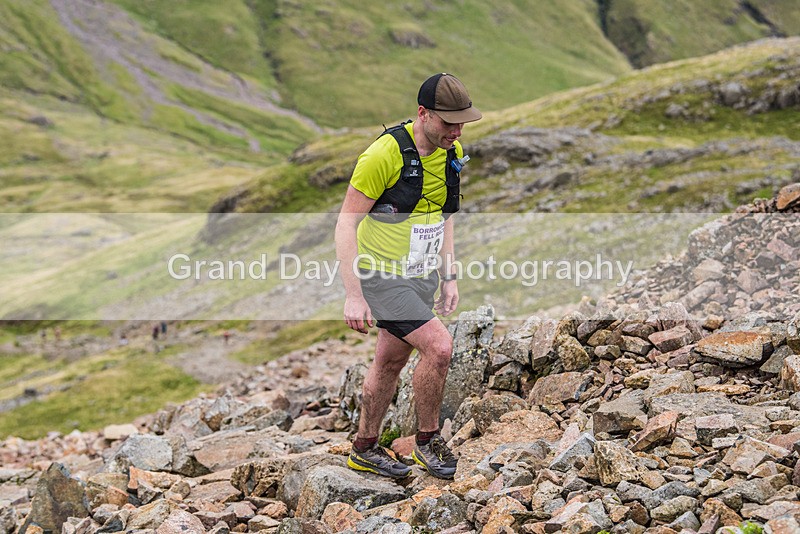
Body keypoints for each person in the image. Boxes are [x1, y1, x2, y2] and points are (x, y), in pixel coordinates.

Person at [335, 73, 481, 480]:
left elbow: (445, 216)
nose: (457, 132)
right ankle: (427, 442)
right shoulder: (383, 156)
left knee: (389, 361)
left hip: (421, 274)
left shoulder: (451, 151)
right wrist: (354, 295)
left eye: (462, 124)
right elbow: (345, 224)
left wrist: (448, 276)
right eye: (449, 123)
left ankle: (364, 448)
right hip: (381, 275)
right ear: (423, 113)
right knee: (439, 347)